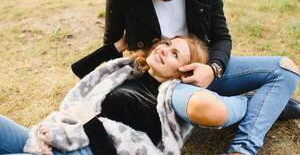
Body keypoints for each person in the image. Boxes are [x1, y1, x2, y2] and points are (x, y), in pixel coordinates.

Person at [71, 0, 300, 154]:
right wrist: (123, 46)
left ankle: (245, 141)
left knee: (285, 69)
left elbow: (222, 38)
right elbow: (110, 53)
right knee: (214, 111)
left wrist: (213, 69)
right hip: (166, 85)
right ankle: (254, 119)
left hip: (204, 64)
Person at [0, 35, 248, 155]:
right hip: (55, 134)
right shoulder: (126, 72)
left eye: (175, 55)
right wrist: (119, 45)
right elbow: (80, 70)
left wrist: (88, 121)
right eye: (167, 44)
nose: (164, 50)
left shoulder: (161, 107)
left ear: (183, 72)